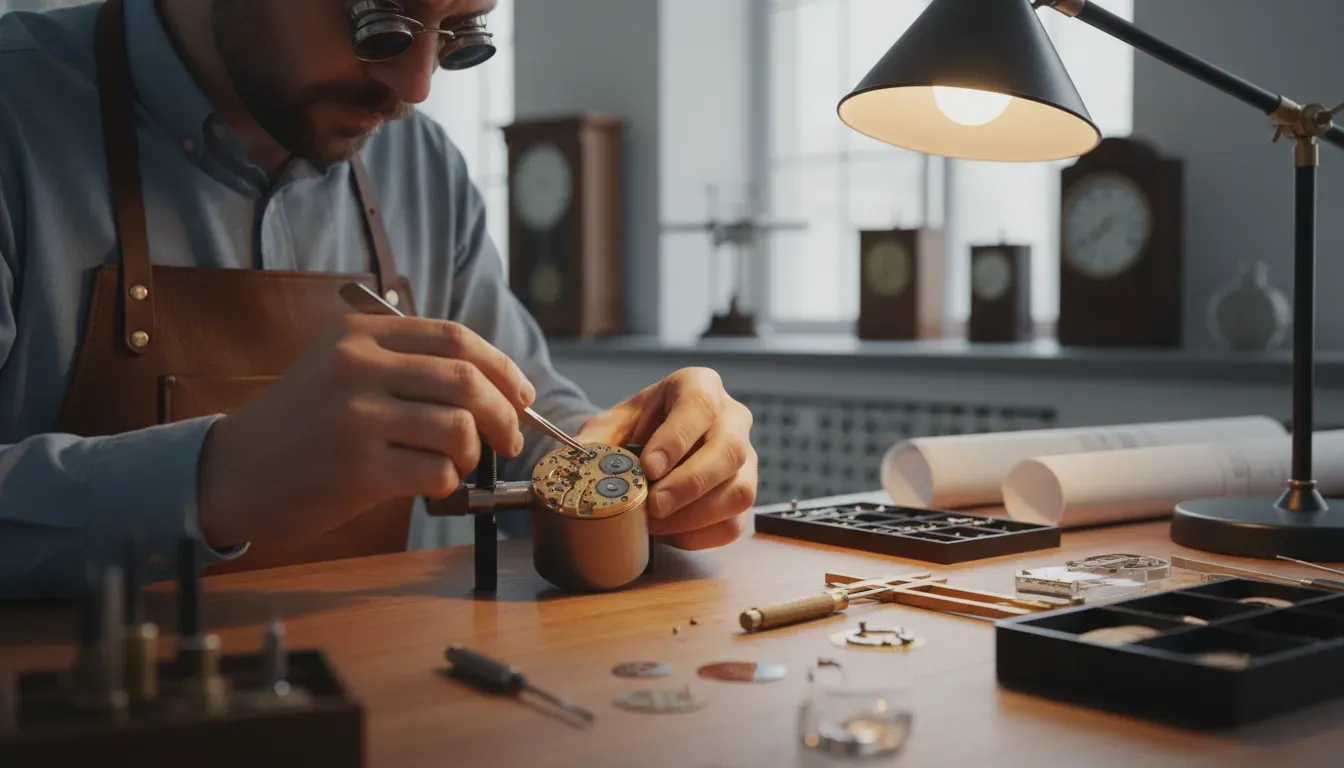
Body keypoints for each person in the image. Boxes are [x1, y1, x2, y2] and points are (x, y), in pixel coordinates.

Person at [0, 0, 758, 599]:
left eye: (460, 33)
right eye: (379, 19)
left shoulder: (421, 168)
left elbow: (523, 424)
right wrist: (213, 479)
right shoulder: (17, 114)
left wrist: (639, 462)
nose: (416, 85)